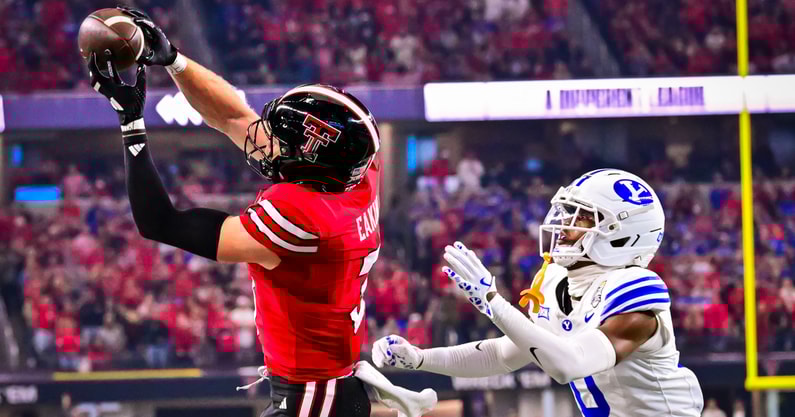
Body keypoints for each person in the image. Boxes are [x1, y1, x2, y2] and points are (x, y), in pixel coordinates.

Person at [86, 7, 392, 416]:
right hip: (329, 390)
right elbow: (234, 116)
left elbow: (159, 222)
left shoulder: (303, 216)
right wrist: (174, 59)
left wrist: (131, 122)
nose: (271, 142)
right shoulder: (359, 178)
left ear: (312, 161)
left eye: (285, 142)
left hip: (313, 400)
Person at [374, 169, 704, 417]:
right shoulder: (557, 279)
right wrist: (420, 358)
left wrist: (493, 302)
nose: (562, 224)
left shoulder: (636, 289)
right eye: (565, 212)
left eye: (581, 217)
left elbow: (568, 365)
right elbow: (501, 355)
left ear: (623, 235)